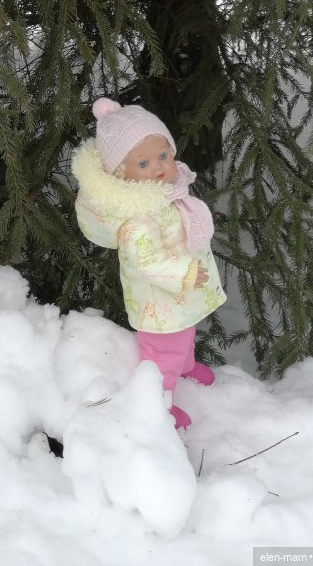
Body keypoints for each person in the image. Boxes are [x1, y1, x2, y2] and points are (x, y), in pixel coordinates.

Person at [72, 98, 226, 429]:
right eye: (143, 164)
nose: (158, 167)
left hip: (180, 299)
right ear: (122, 175)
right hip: (160, 302)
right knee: (162, 354)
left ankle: (185, 367)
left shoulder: (168, 193)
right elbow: (148, 263)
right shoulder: (136, 220)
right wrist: (185, 272)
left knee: (184, 335)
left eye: (163, 155)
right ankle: (157, 402)